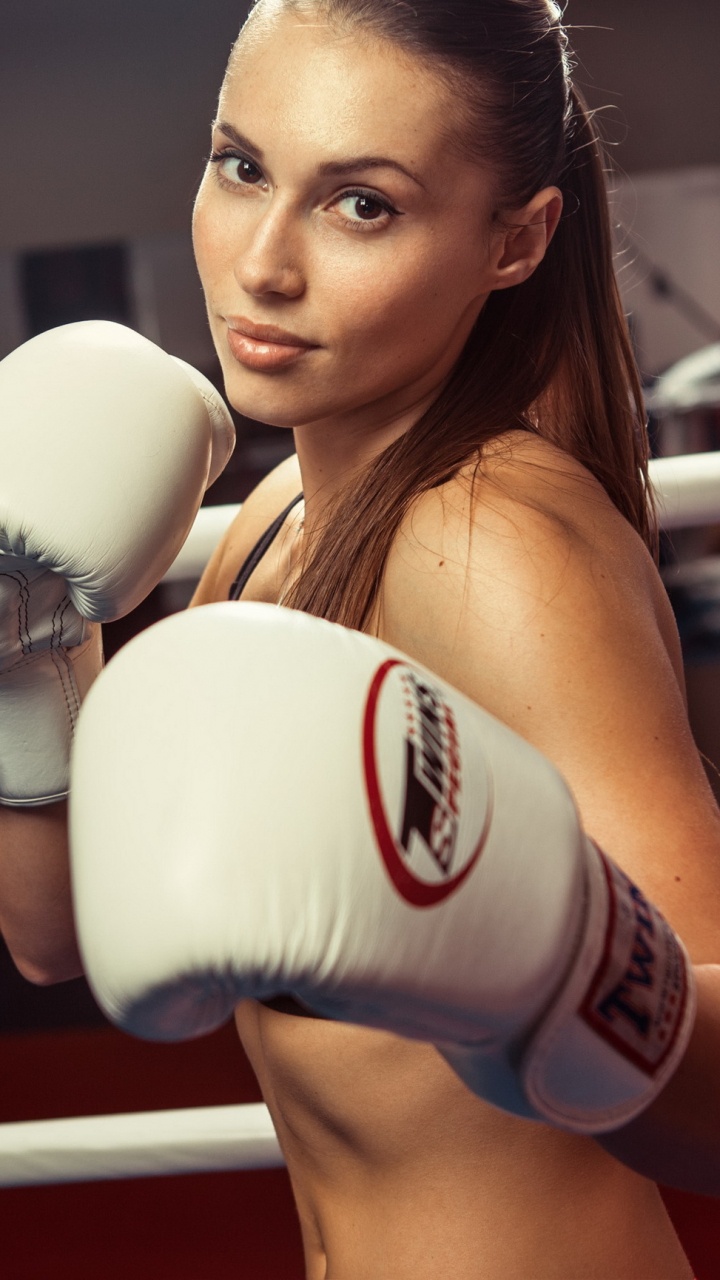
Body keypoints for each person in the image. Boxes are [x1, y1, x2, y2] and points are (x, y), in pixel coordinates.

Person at [2, 1, 719, 1277]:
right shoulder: (278, 520)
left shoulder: (496, 543)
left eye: (362, 204)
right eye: (241, 167)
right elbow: (55, 938)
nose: (262, 264)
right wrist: (25, 651)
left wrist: (552, 958)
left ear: (516, 241)